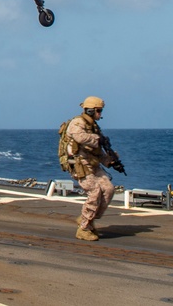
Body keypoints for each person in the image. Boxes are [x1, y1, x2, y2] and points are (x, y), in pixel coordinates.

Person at [65, 96, 120, 241]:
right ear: (90, 110)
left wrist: (111, 162)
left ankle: (87, 219)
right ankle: (83, 228)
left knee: (108, 189)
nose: (100, 114)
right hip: (79, 164)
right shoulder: (77, 123)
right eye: (98, 111)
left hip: (93, 163)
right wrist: (98, 139)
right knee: (95, 192)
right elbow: (80, 138)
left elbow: (97, 151)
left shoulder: (93, 126)